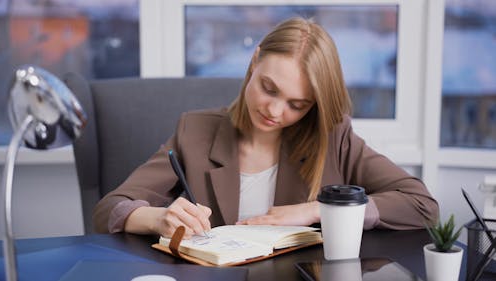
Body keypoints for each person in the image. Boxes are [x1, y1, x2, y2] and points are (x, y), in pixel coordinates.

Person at [92, 17, 439, 238]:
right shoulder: (194, 131)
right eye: (269, 88)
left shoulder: (334, 137)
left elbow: (422, 205)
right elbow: (110, 209)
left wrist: (321, 210)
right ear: (255, 60)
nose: (274, 111)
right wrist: (157, 218)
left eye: (297, 104)